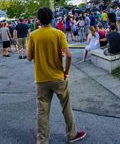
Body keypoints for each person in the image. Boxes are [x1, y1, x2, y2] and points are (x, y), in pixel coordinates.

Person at [28, 8, 86, 143]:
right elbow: (69, 55)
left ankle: (42, 140)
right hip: (58, 76)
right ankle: (72, 134)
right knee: (66, 106)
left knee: (42, 111)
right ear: (51, 18)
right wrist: (66, 71)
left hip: (41, 78)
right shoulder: (58, 33)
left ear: (38, 19)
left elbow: (29, 57)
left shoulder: (33, 35)